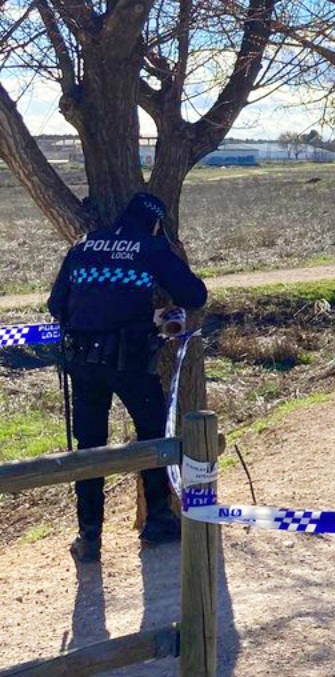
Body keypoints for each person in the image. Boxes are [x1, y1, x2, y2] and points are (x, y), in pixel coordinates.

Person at [48, 192, 208, 564]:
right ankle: (159, 524)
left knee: (89, 448)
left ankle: (89, 537)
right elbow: (195, 295)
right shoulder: (150, 247)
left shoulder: (83, 245)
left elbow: (57, 305)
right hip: (131, 362)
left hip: (83, 363)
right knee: (153, 437)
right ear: (156, 225)